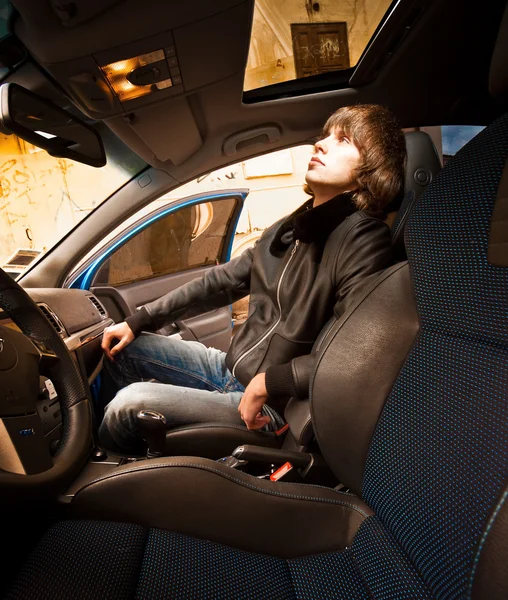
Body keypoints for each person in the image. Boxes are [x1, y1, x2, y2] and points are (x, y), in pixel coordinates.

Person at [98, 103, 406, 455]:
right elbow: (219, 282)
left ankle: (109, 478)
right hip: (229, 369)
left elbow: (356, 349)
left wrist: (269, 383)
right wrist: (139, 320)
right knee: (121, 348)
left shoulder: (363, 239)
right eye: (323, 136)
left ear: (373, 168)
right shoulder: (291, 227)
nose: (320, 145)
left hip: (273, 405)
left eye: (344, 140)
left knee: (130, 402)